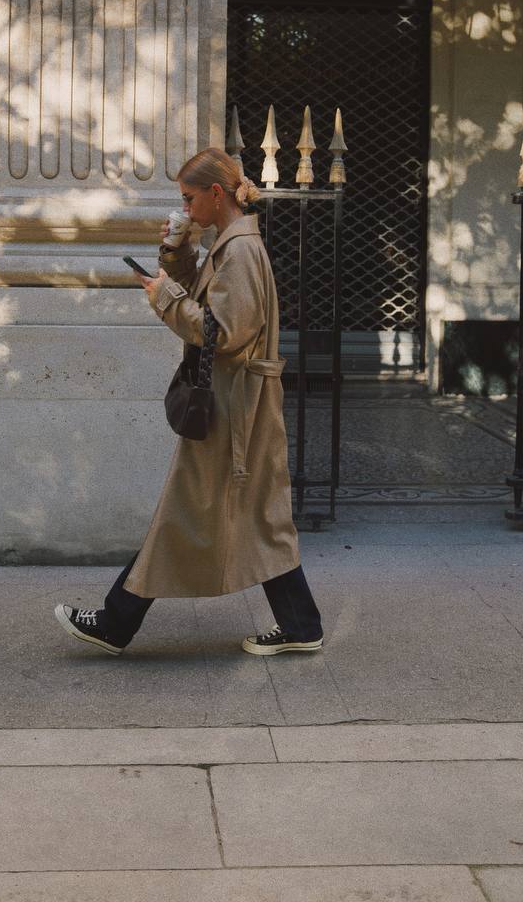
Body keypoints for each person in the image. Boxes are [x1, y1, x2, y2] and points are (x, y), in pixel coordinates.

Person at [54, 148, 324, 657]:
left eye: (189, 198)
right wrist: (177, 254)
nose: (185, 205)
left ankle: (115, 622)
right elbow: (212, 304)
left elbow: (223, 333)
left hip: (232, 407)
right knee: (258, 515)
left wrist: (164, 297)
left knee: (189, 513)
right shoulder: (230, 244)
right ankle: (301, 624)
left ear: (216, 194)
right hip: (235, 404)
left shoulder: (240, 251)